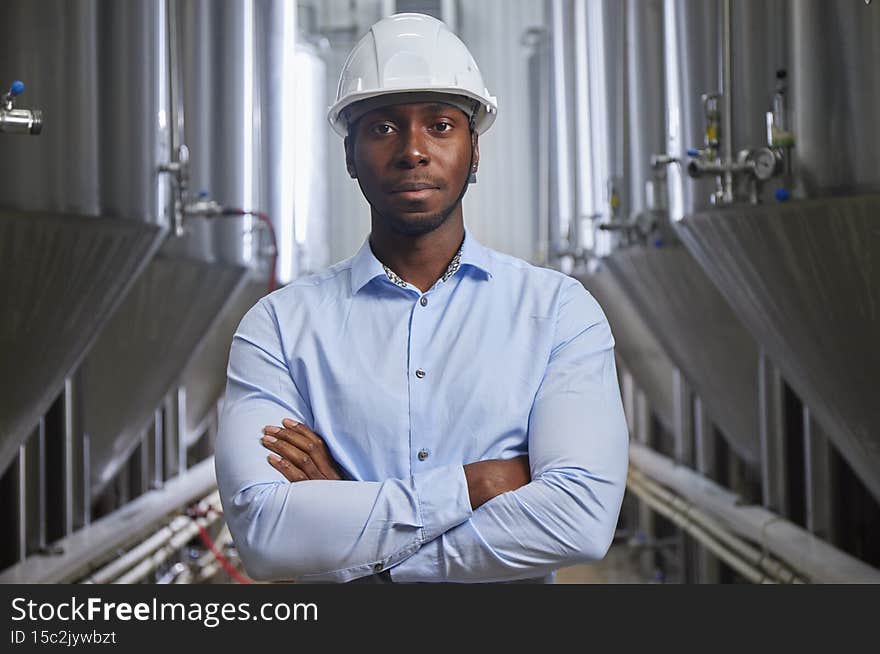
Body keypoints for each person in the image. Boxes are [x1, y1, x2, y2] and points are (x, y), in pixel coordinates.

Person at [214, 12, 629, 584]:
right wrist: (475, 484)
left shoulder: (558, 313)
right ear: (349, 155)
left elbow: (579, 521)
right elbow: (265, 533)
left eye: (440, 125)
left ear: (474, 150)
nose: (413, 150)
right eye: (383, 127)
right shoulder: (279, 327)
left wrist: (366, 550)